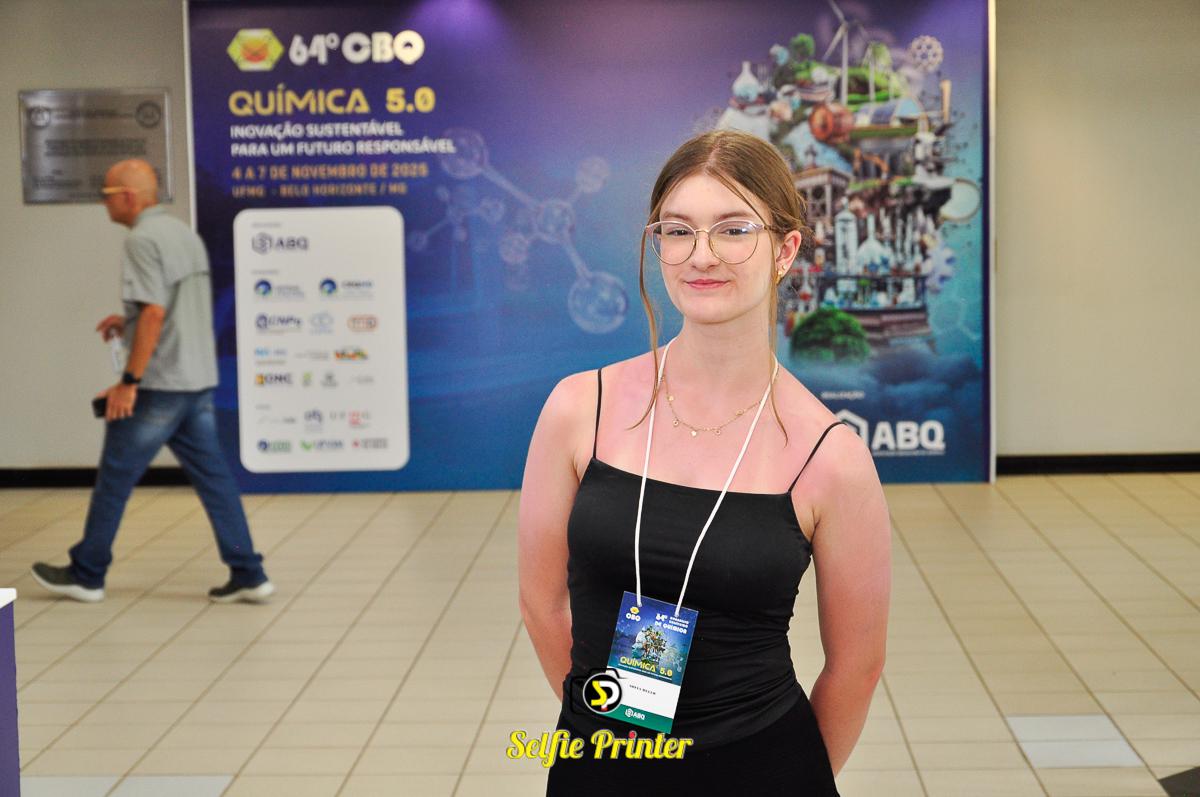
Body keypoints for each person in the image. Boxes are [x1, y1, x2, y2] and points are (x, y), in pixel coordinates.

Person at [518, 131, 890, 794]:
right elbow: (543, 604)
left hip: (764, 769)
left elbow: (855, 667)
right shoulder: (580, 408)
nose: (702, 255)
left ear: (785, 250)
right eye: (678, 230)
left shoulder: (830, 456)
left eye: (733, 229)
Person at [31, 159, 273, 605]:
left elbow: (156, 313)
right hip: (197, 379)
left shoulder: (142, 240)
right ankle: (249, 572)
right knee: (214, 479)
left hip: (160, 385)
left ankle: (87, 574)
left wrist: (129, 381)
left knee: (115, 477)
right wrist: (126, 321)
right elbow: (168, 307)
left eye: (106, 194)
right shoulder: (182, 234)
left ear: (127, 197)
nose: (103, 203)